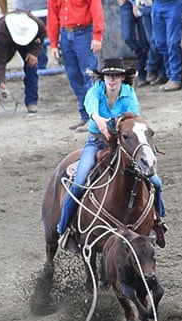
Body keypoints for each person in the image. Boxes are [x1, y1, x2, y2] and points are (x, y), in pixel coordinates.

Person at [57, 58, 166, 249]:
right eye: (108, 76)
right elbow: (90, 106)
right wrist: (98, 120)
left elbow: (133, 116)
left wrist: (116, 125)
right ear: (103, 78)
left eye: (116, 76)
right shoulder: (96, 92)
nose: (112, 80)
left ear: (122, 78)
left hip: (123, 142)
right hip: (97, 141)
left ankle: (157, 221)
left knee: (155, 182)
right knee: (79, 180)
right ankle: (64, 228)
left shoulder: (129, 93)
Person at [47, 0, 104, 132]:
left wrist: (97, 36)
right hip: (67, 34)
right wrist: (54, 44)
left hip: (83, 32)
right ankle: (85, 115)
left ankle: (94, 116)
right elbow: (52, 17)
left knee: (90, 75)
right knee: (74, 76)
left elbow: (96, 10)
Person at [0, 10, 47, 114]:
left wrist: (34, 53)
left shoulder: (37, 24)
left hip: (30, 41)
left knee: (31, 66)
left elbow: (42, 34)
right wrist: (1, 81)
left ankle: (32, 102)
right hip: (7, 40)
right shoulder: (2, 32)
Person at [0, 0, 49, 70]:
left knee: (37, 39)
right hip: (24, 9)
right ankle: (36, 67)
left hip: (41, 7)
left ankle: (38, 67)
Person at [151, 0, 182, 92]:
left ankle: (176, 77)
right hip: (157, 4)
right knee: (161, 43)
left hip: (173, 3)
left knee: (173, 42)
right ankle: (171, 76)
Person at [135, 0, 167, 86]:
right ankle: (160, 72)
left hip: (156, 5)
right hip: (144, 6)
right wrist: (136, 3)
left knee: (157, 41)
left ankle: (151, 67)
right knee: (152, 42)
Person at [118, 0, 149, 87]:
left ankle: (144, 72)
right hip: (127, 3)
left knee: (144, 39)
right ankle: (144, 62)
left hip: (141, 2)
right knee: (128, 37)